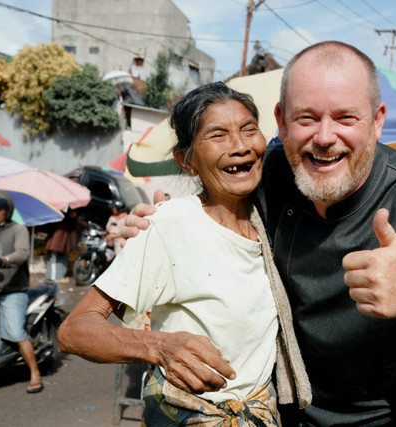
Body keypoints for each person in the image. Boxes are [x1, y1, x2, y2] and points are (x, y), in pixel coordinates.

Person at [123, 41, 396, 425]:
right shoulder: (269, 173)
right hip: (278, 412)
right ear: (281, 122)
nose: (324, 137)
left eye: (345, 118)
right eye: (307, 118)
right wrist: (153, 221)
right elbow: (205, 199)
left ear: (377, 122)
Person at [58, 82, 311, 425]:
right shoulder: (169, 225)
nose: (239, 146)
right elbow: (74, 330)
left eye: (248, 129)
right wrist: (159, 347)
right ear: (187, 160)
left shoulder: (271, 217)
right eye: (218, 135)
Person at [0, 190, 43, 393]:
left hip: (12, 290)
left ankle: (34, 372)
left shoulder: (18, 229)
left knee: (14, 332)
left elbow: (21, 254)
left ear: (7, 209)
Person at [44, 208, 83, 282]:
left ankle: (58, 276)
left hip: (63, 239)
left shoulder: (67, 217)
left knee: (61, 258)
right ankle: (55, 277)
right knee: (55, 258)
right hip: (58, 239)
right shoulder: (61, 214)